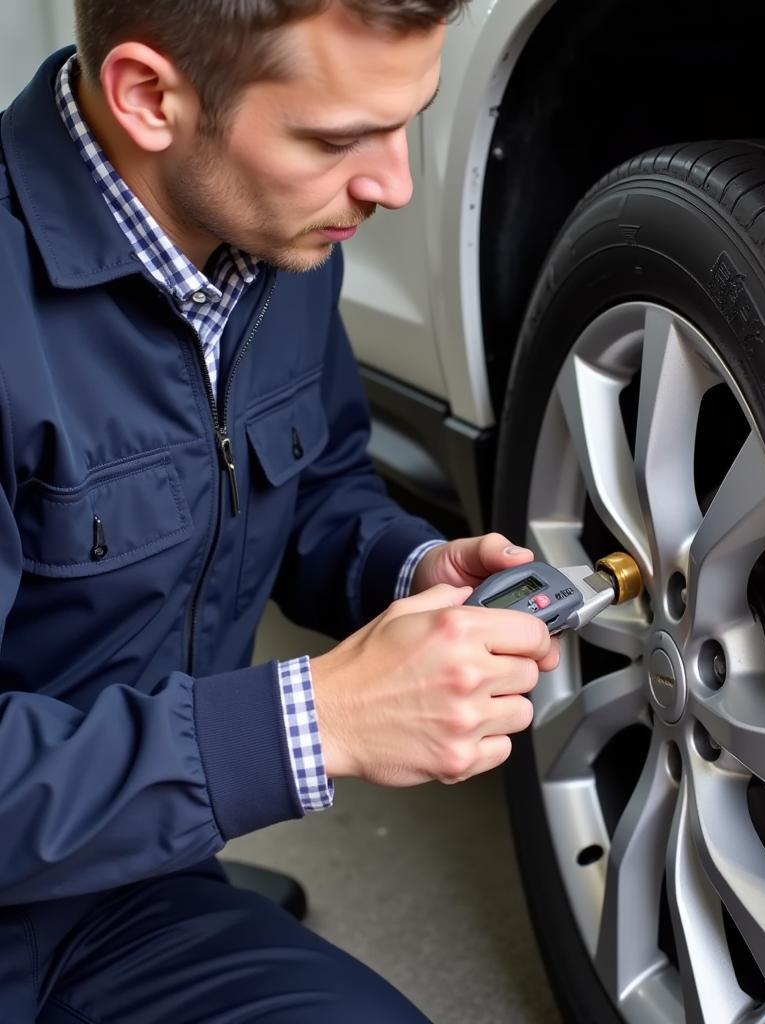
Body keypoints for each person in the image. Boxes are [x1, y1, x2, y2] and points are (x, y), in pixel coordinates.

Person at [0, 1, 560, 1020]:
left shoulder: (270, 238)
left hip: (122, 889)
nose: (392, 185)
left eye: (406, 123)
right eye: (337, 138)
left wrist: (409, 570)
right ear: (148, 96)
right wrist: (311, 721)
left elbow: (312, 483)